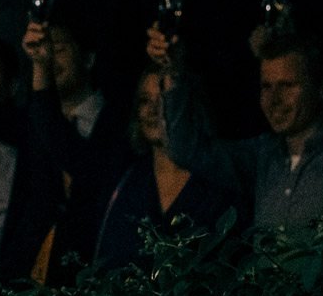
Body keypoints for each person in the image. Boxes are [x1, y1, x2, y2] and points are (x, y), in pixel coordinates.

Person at [147, 25, 323, 235]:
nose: (273, 100)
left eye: (287, 86)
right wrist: (174, 72)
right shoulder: (262, 157)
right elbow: (187, 151)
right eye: (266, 87)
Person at [0, 13, 131, 284]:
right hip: (26, 278)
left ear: (89, 58)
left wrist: (40, 72)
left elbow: (82, 167)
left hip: (89, 279)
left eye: (58, 49)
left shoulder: (118, 123)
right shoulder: (32, 117)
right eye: (43, 50)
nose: (47, 57)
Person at [94, 70, 239, 268]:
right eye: (145, 100)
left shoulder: (214, 179)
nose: (153, 110)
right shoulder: (129, 181)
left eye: (163, 99)